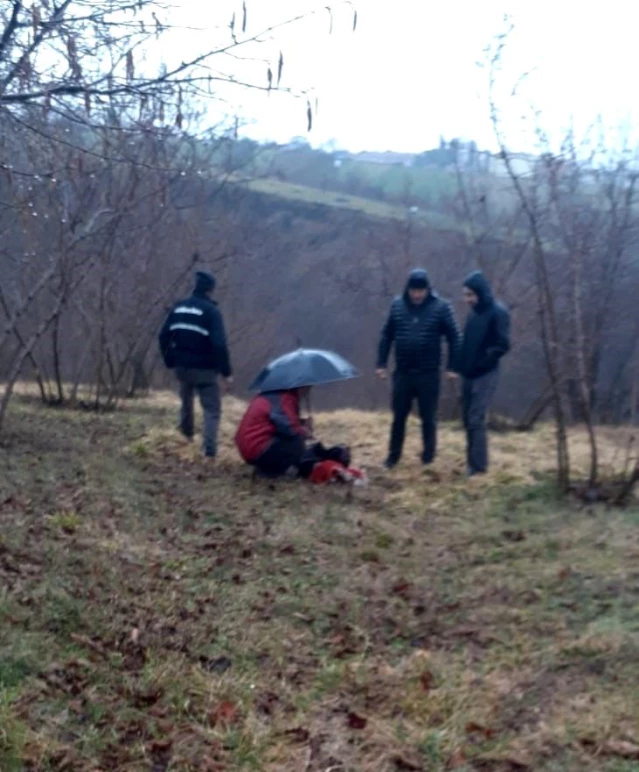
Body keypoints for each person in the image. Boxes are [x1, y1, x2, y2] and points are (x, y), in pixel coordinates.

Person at [377, 268, 461, 469]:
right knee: (398, 417)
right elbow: (387, 335)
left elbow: (455, 337)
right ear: (408, 289)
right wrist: (381, 363)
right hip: (403, 372)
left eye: (421, 291)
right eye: (414, 290)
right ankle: (393, 456)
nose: (417, 295)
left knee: (428, 417)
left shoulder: (441, 307)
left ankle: (428, 457)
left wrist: (453, 366)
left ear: (427, 289)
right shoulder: (397, 306)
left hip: (428, 373)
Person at [159, 270, 232, 458]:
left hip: (182, 366)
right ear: (210, 290)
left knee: (186, 401)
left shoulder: (179, 308)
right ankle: (209, 451)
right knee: (211, 408)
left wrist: (170, 360)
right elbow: (219, 344)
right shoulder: (211, 312)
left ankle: (186, 437)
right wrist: (226, 372)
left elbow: (163, 336)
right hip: (205, 369)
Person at [458, 271, 511, 477]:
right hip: (468, 374)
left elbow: (502, 345)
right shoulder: (474, 313)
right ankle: (471, 464)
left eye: (470, 295)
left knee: (476, 419)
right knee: (467, 419)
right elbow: (467, 343)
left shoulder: (498, 312)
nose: (467, 299)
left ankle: (479, 469)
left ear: (480, 293)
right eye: (465, 295)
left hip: (485, 374)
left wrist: (482, 363)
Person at [235, 387, 312, 477]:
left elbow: (281, 420)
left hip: (249, 447)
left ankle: (267, 468)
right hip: (257, 448)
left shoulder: (273, 394)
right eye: (308, 387)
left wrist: (302, 422)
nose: (309, 389)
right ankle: (275, 471)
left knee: (295, 438)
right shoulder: (285, 398)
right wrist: (305, 431)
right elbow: (290, 428)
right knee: (296, 441)